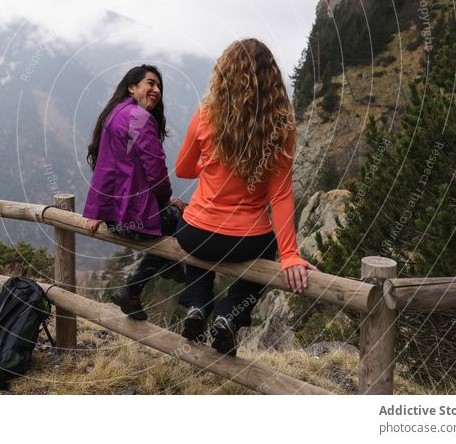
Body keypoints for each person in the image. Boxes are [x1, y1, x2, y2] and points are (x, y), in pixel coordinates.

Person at [174, 38, 317, 356]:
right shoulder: (281, 127)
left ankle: (197, 306)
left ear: (224, 74)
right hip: (247, 240)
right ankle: (229, 314)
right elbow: (280, 196)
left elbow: (183, 170)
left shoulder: (204, 116)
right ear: (271, 79)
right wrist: (290, 255)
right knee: (270, 248)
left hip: (197, 234)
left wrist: (209, 164)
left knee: (194, 230)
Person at [83, 65, 186, 321]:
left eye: (159, 86)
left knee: (172, 219)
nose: (156, 89)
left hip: (113, 217)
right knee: (179, 220)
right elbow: (157, 171)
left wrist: (96, 211)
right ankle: (139, 287)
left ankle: (168, 268)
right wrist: (166, 201)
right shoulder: (140, 118)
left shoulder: (114, 114)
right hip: (132, 219)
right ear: (132, 87)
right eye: (150, 83)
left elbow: (105, 168)